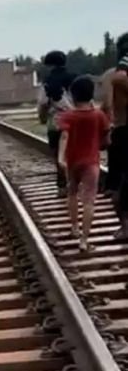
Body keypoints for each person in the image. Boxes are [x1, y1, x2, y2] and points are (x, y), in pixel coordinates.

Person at [58, 76, 110, 252]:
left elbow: (64, 135)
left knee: (72, 193)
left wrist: (61, 158)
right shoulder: (99, 115)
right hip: (91, 163)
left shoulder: (68, 116)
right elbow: (106, 140)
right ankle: (84, 241)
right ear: (91, 94)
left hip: (73, 162)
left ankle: (74, 227)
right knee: (89, 201)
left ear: (72, 95)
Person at [38, 50, 76, 197]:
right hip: (76, 121)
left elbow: (43, 104)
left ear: (50, 65)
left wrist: (42, 118)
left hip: (56, 122)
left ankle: (62, 186)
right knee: (75, 153)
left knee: (58, 156)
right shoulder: (75, 78)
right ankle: (76, 182)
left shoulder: (48, 81)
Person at [108, 59, 128, 238]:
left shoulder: (117, 76)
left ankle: (125, 226)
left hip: (122, 132)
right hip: (121, 131)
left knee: (117, 187)